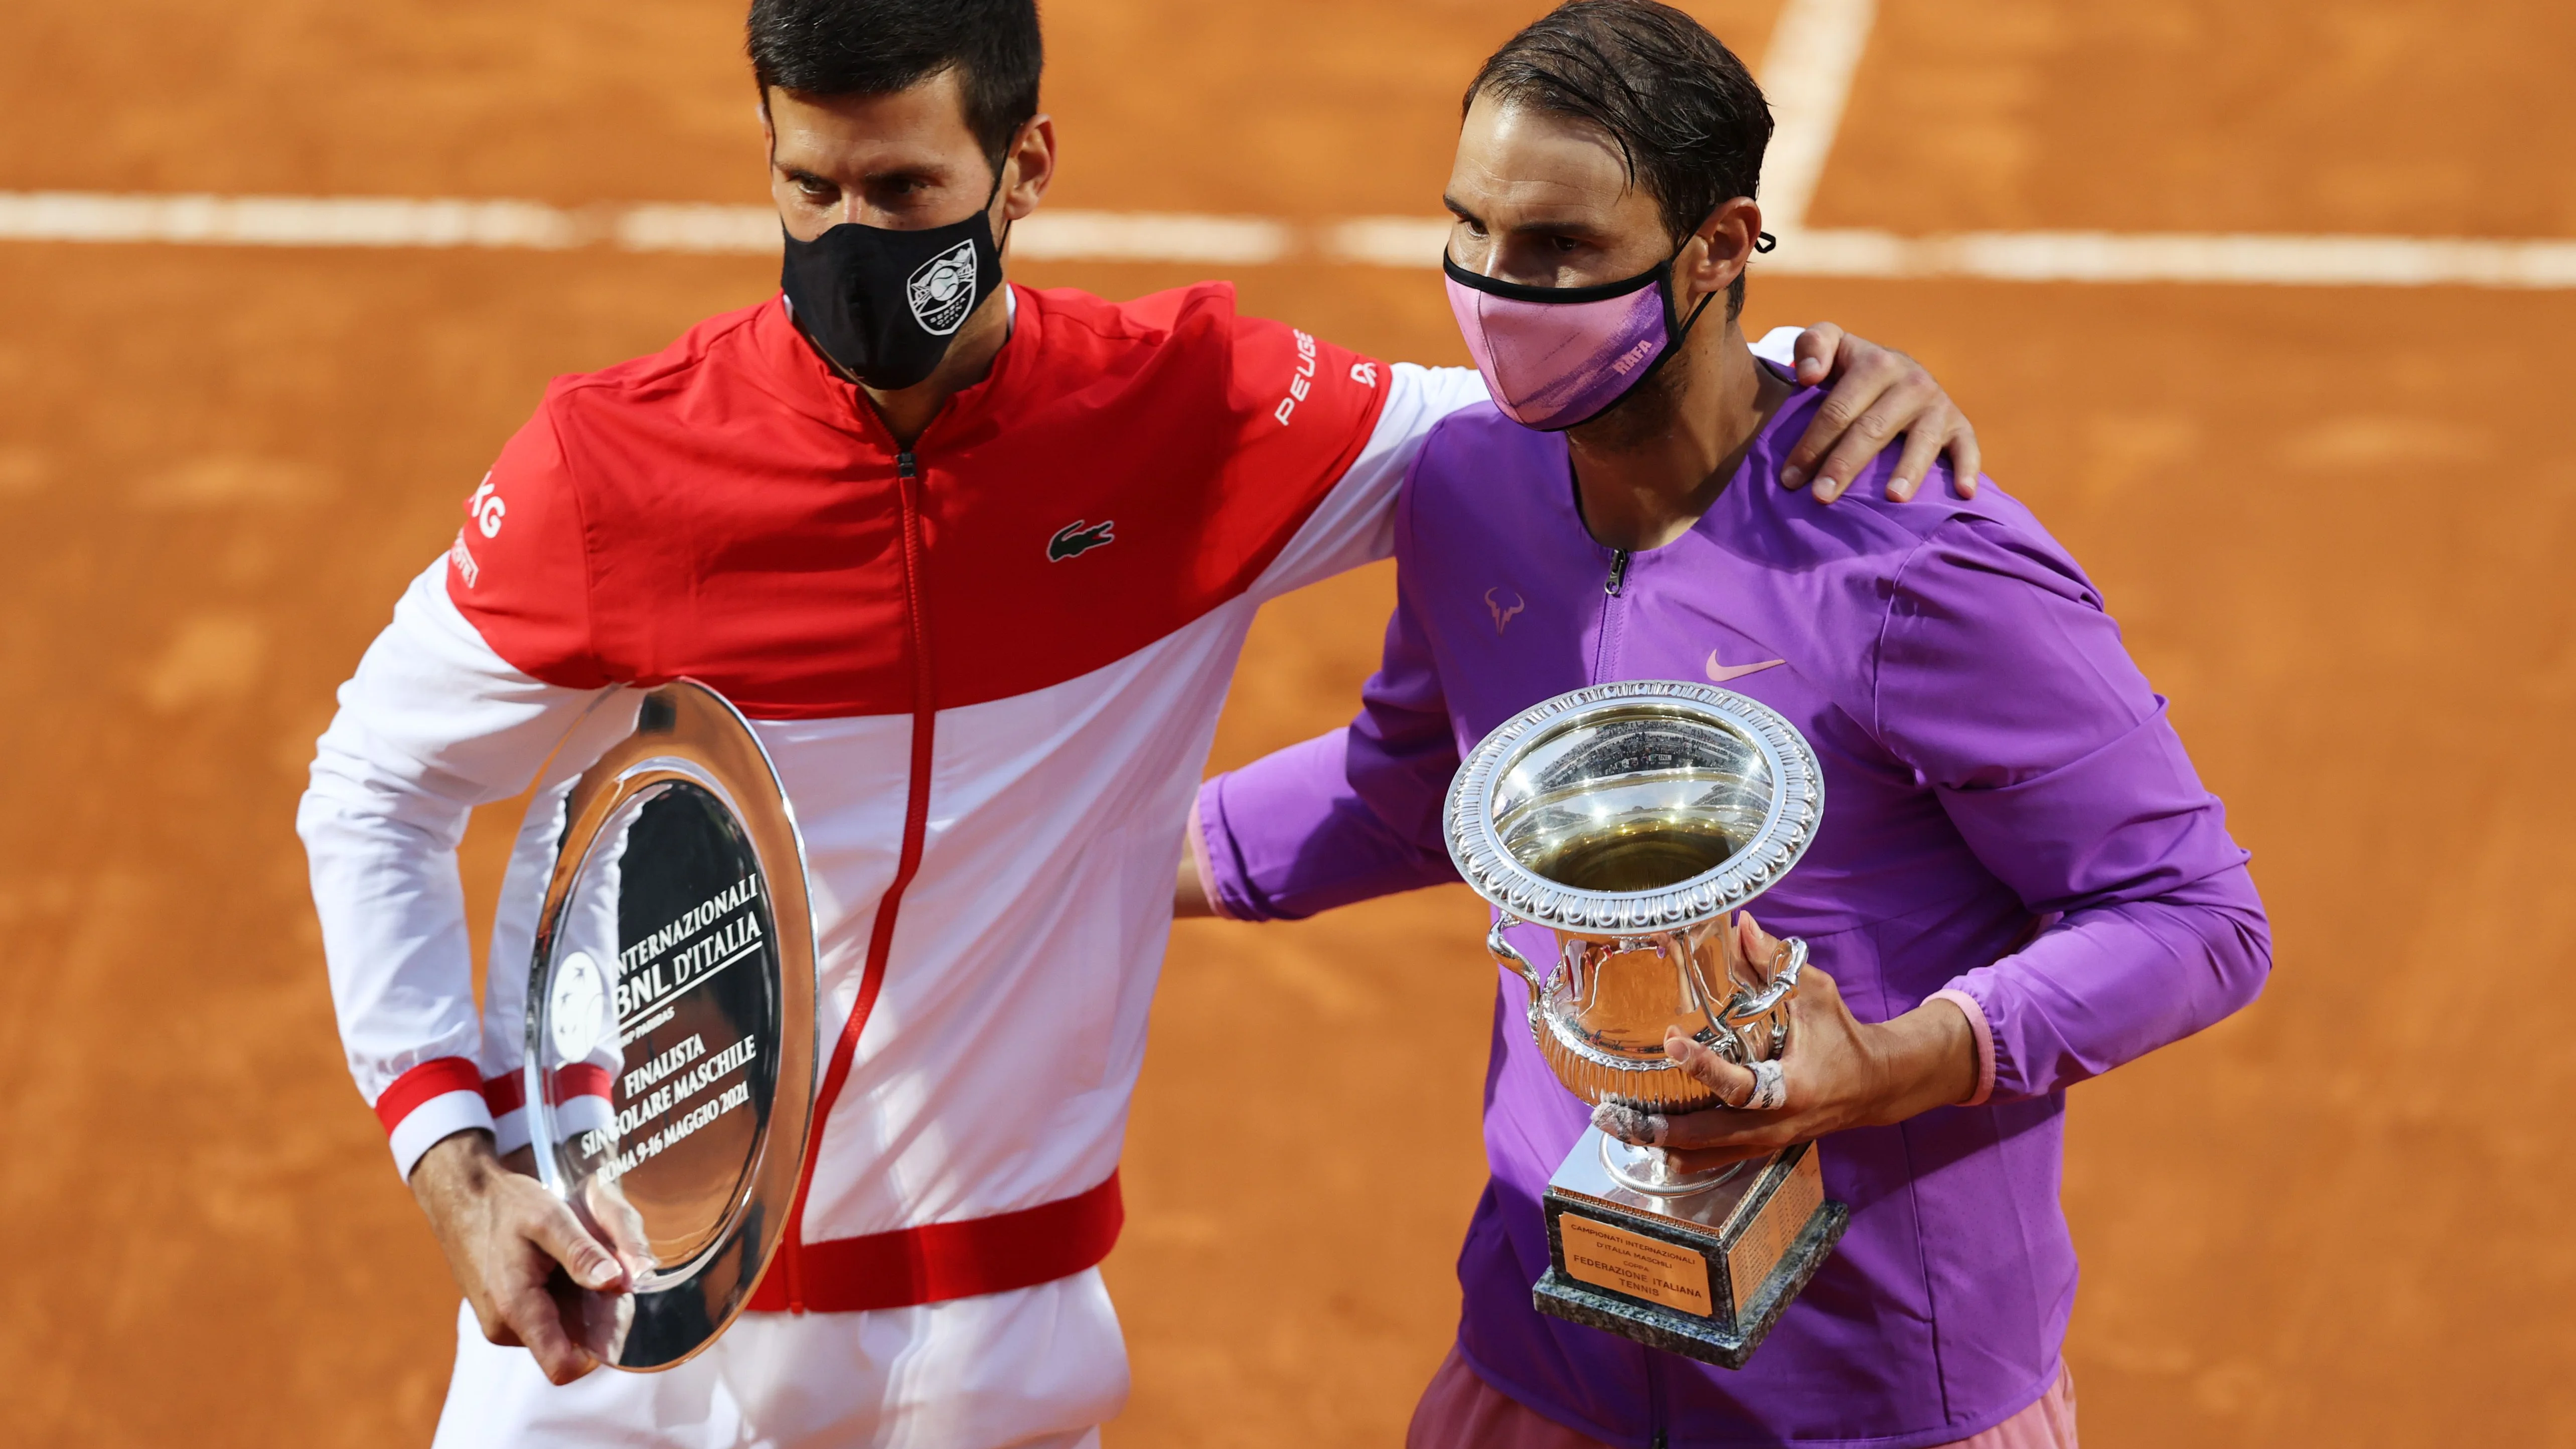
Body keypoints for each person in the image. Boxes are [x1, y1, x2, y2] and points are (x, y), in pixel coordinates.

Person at [298, 1, 1982, 1443]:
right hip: (633, 1343)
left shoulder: (1183, 422)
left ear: (1023, 171)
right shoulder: (619, 469)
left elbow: (1566, 410)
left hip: (1000, 1348)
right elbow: (376, 782)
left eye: (904, 191)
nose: (849, 243)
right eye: (805, 188)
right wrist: (451, 1157)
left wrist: (1799, 388)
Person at [1177, 4, 2274, 1447]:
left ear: (1716, 247)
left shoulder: (1915, 563)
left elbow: (2191, 918)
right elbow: (1428, 782)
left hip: (1870, 1399)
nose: (1496, 291)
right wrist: (1069, 865)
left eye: (1559, 251)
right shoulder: (1467, 489)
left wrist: (1893, 1065)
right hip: (1545, 1350)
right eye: (1472, 232)